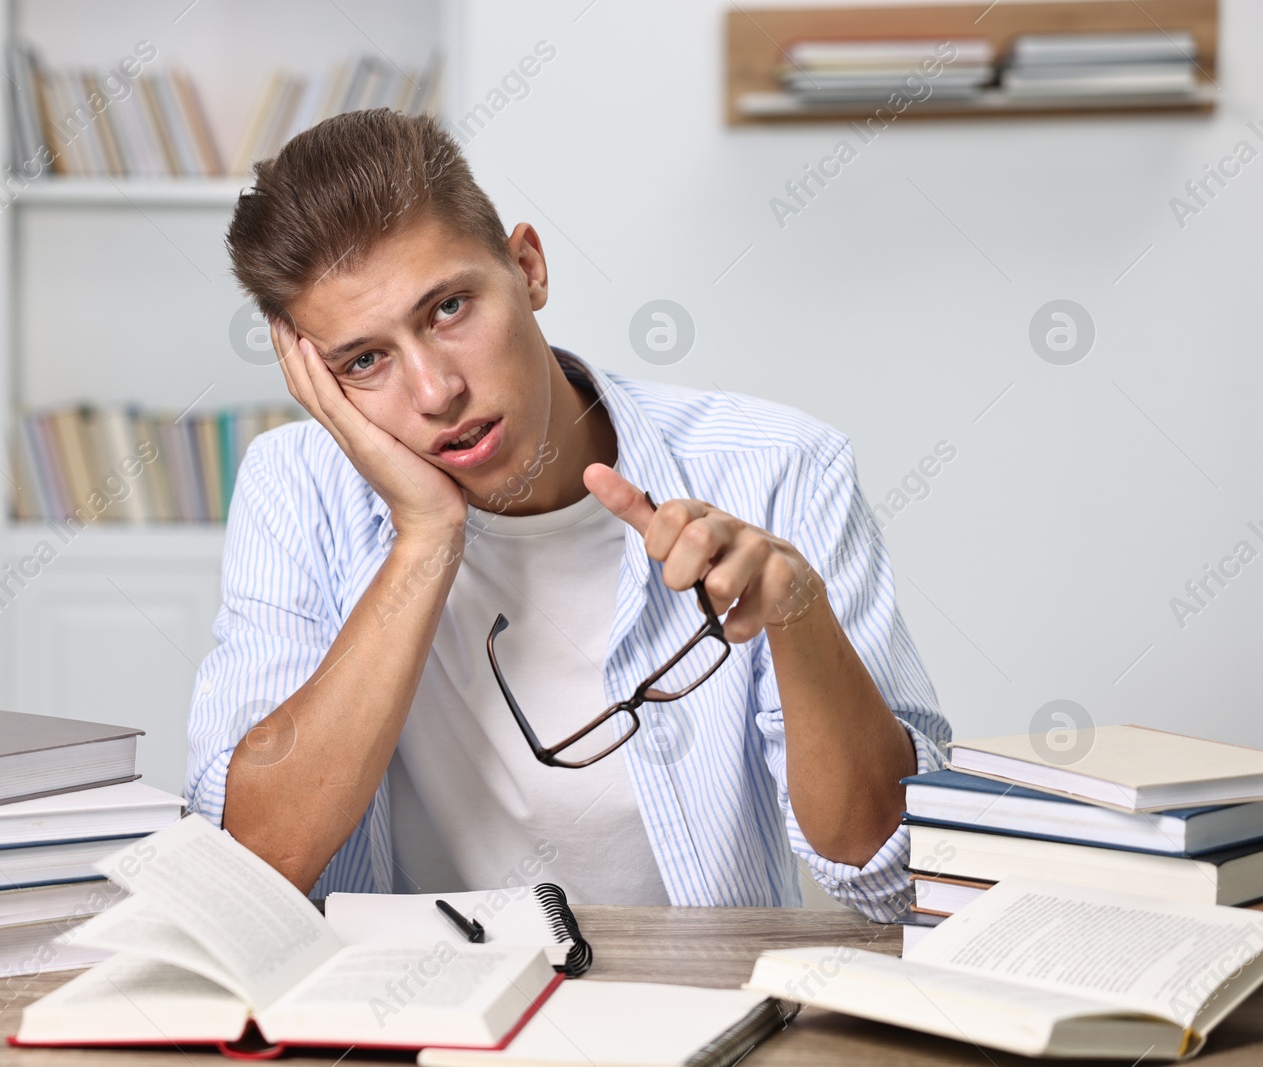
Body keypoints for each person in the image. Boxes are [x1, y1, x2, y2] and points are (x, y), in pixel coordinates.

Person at [185, 109, 951, 920]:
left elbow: (891, 875)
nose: (436, 390)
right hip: (410, 1023)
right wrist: (426, 537)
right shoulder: (295, 485)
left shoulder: (781, 466)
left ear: (528, 267)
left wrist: (799, 615)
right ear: (320, 384)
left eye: (448, 308)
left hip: (688, 1016)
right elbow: (251, 869)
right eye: (365, 361)